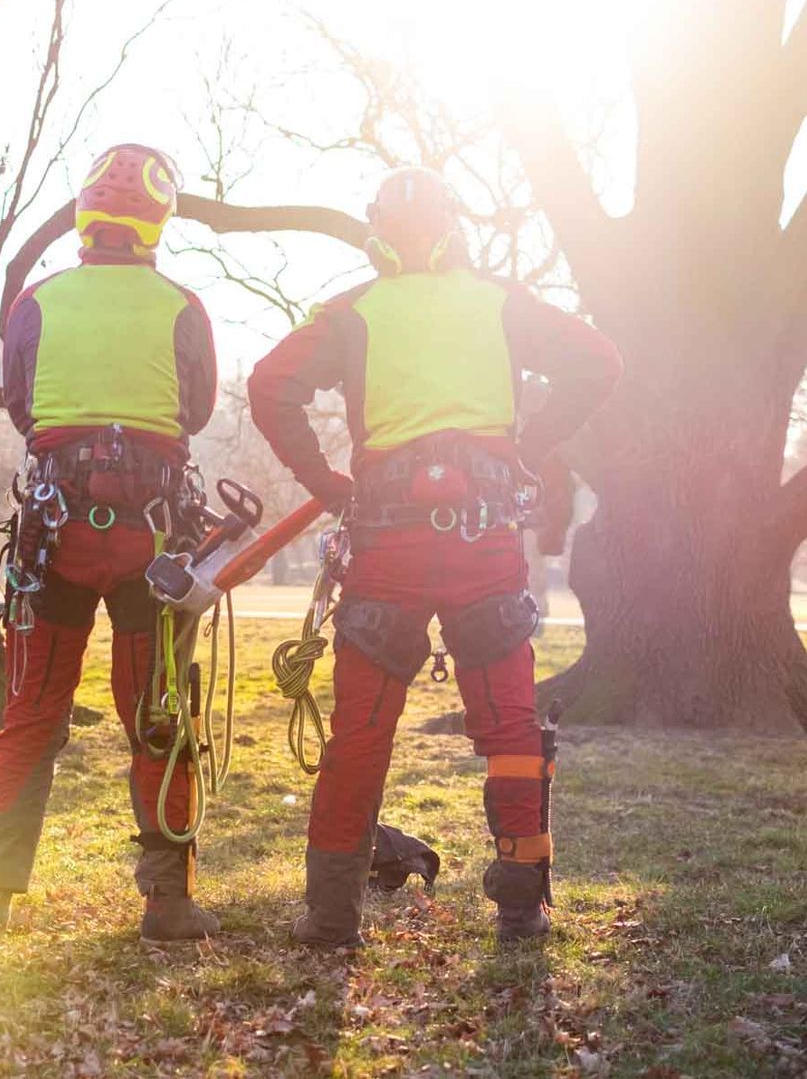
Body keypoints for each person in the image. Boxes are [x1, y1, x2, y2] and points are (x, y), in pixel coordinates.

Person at [248, 167, 622, 946]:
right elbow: (598, 362)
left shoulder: (353, 312)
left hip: (386, 542)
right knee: (512, 725)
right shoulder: (500, 302)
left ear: (377, 231)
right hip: (482, 539)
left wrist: (326, 482)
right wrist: (532, 444)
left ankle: (330, 916)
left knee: (361, 728)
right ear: (453, 230)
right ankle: (521, 902)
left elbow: (270, 382)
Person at [0, 143, 222, 943]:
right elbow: (200, 409)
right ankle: (168, 903)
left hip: (57, 533)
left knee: (32, 713)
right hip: (152, 537)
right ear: (156, 222)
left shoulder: (38, 300)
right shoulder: (182, 305)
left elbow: (20, 404)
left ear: (85, 218)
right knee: (158, 711)